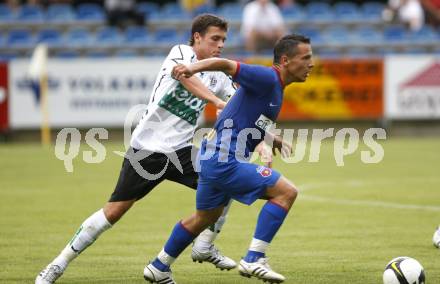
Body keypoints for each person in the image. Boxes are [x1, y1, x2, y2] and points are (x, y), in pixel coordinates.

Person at [35, 14, 239, 284]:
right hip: (148, 149)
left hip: (181, 150)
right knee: (113, 212)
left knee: (227, 183)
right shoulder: (181, 53)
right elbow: (186, 78)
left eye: (224, 39)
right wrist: (216, 101)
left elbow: (241, 105)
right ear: (197, 37)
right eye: (215, 38)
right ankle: (56, 266)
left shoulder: (220, 75)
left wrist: (266, 137)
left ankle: (198, 248)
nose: (221, 45)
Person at [144, 34, 314, 284]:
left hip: (212, 158)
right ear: (286, 60)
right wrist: (190, 68)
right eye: (306, 57)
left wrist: (268, 138)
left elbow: (247, 119)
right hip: (225, 160)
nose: (312, 63)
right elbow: (226, 65)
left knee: (205, 218)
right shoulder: (268, 77)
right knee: (286, 192)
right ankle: (254, 258)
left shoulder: (276, 89)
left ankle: (159, 266)